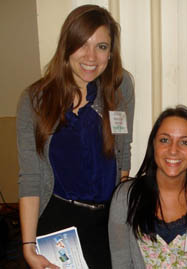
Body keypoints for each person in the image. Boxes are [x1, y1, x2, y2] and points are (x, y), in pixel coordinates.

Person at [16, 5, 134, 269]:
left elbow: (123, 152)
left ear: (110, 52)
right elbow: (31, 178)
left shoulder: (120, 86)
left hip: (106, 224)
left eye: (102, 47)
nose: (91, 56)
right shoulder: (34, 100)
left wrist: (119, 218)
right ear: (66, 46)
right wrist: (28, 247)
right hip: (58, 223)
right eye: (83, 44)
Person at [108, 106, 187, 268]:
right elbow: (121, 262)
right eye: (164, 140)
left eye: (184, 142)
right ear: (153, 145)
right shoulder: (125, 197)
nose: (173, 150)